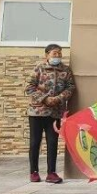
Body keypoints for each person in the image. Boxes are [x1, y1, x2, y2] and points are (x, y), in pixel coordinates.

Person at [25, 44, 76, 184]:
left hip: (55, 112)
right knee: (35, 142)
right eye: (54, 53)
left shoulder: (65, 70)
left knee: (52, 142)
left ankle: (51, 173)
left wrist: (58, 99)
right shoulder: (39, 68)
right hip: (37, 112)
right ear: (47, 55)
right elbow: (29, 87)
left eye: (59, 53)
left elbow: (70, 87)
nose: (57, 56)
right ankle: (34, 172)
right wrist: (45, 99)